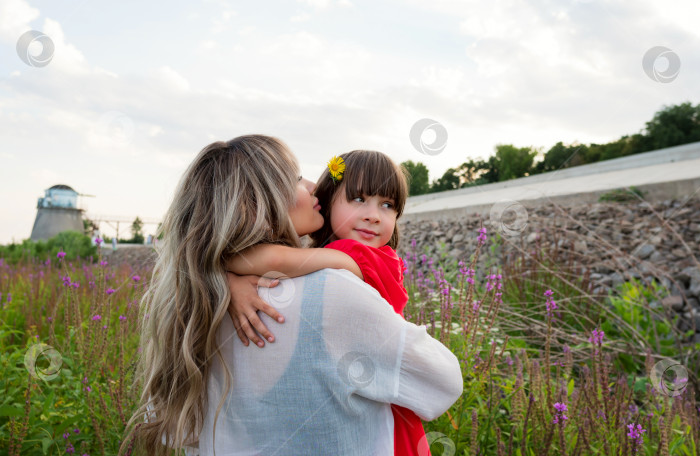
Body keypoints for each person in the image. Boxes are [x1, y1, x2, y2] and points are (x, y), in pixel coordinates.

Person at [124, 135, 463, 456]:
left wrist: (221, 272)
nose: (315, 186)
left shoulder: (197, 303)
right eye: (297, 178)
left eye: (387, 205)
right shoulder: (336, 288)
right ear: (261, 202)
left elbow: (179, 431)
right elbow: (443, 381)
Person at [226, 150, 432, 455]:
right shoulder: (351, 256)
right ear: (327, 198)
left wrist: (226, 276)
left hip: (374, 400)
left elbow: (257, 257)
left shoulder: (358, 257)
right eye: (359, 199)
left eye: (387, 205)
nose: (374, 215)